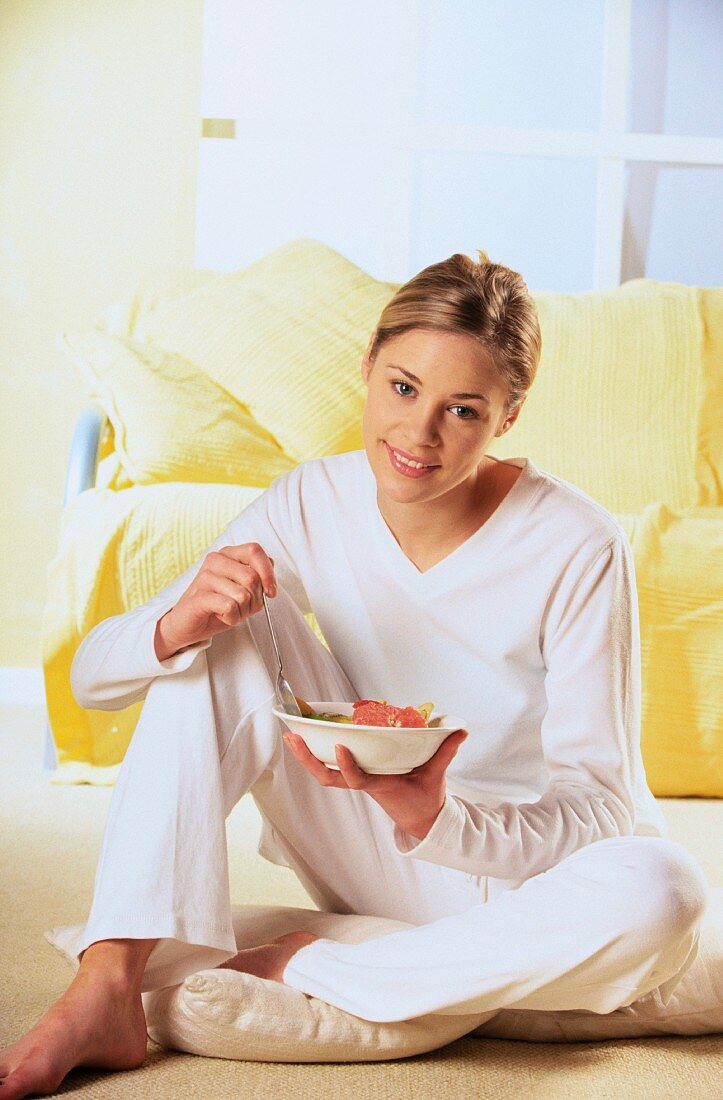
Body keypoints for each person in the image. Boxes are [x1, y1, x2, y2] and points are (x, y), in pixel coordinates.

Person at [1, 251, 709, 1098]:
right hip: (369, 849)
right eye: (403, 389)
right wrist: (177, 620)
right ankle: (109, 981)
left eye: (463, 409)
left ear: (508, 416)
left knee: (666, 890)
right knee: (223, 629)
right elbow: (90, 680)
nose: (418, 435)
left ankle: (326, 964)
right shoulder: (308, 501)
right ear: (367, 369)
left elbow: (599, 807)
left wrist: (441, 816)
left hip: (533, 883)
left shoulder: (579, 543)